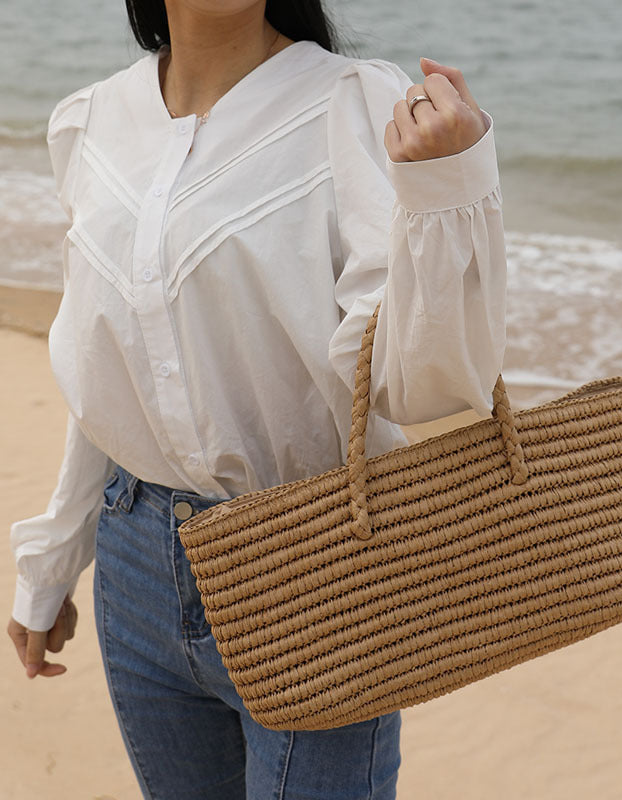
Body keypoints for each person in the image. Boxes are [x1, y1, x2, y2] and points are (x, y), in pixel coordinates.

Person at [7, 0, 507, 797]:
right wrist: (51, 562)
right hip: (136, 567)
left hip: (317, 566)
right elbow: (107, 376)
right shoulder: (92, 122)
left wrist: (451, 184)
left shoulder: (357, 107)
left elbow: (426, 389)